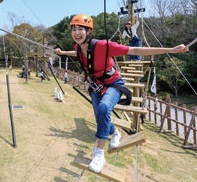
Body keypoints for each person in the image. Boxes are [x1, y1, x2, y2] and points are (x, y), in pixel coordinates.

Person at [54, 14, 188, 173]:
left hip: (114, 85)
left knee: (104, 109)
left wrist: (170, 50)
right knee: (100, 117)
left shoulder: (103, 46)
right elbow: (76, 52)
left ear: (88, 31)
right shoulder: (78, 48)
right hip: (97, 86)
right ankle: (115, 132)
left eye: (80, 29)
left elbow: (134, 49)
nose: (76, 32)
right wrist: (62, 53)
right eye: (74, 29)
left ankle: (99, 153)